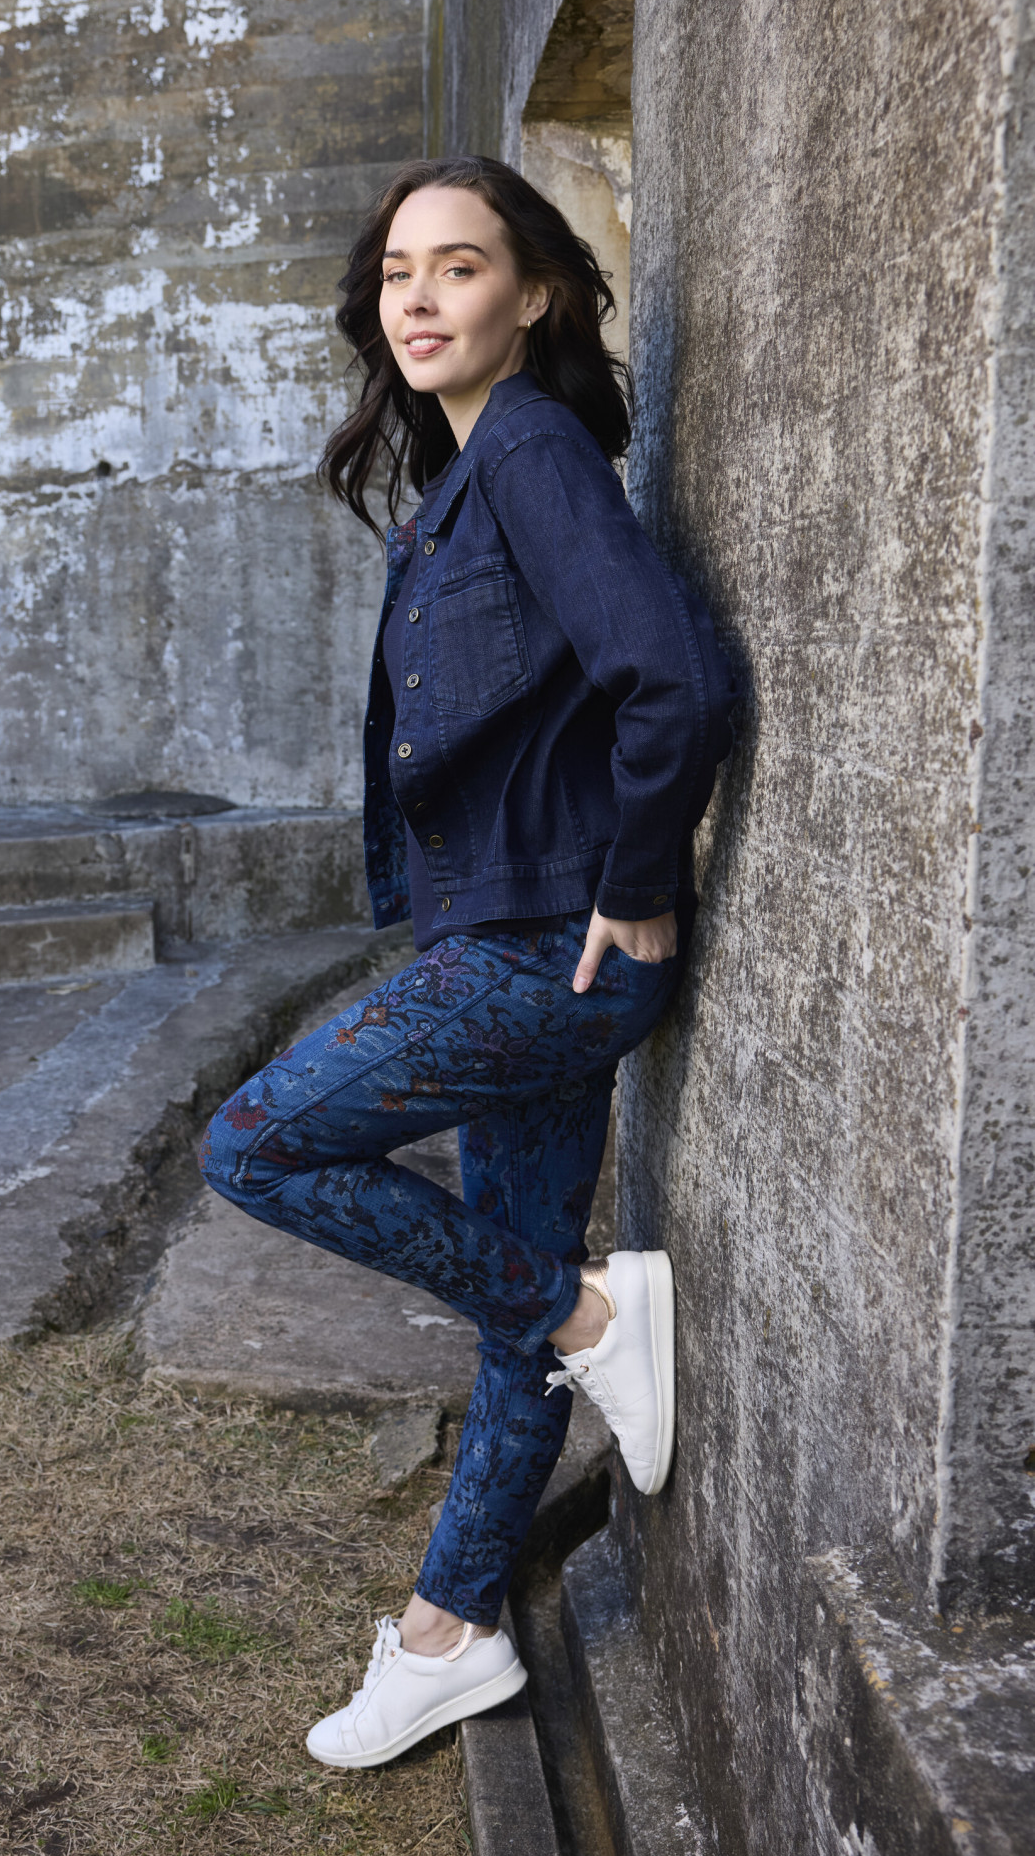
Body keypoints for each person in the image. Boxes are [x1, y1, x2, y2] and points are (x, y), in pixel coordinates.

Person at [199, 154, 736, 1769]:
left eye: (459, 266)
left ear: (536, 293)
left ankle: (588, 1313)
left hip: (549, 951)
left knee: (256, 1145)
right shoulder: (467, 472)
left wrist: (636, 880)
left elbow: (673, 678)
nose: (419, 298)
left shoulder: (530, 451)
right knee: (509, 1322)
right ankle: (454, 1634)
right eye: (397, 272)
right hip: (513, 944)